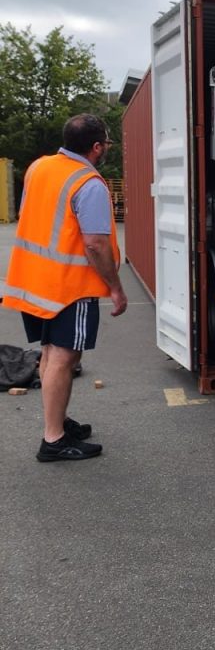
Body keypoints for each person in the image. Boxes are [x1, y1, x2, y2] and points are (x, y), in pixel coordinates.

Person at [2, 114, 127, 462]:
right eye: (106, 145)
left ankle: (56, 420)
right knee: (63, 357)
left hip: (34, 279)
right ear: (97, 146)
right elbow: (96, 245)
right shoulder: (88, 184)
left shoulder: (39, 167)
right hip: (68, 286)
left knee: (49, 352)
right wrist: (115, 288)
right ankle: (53, 439)